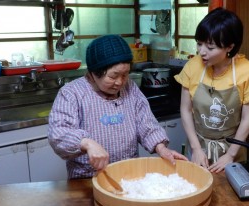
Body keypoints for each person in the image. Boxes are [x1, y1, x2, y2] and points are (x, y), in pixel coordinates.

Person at [48, 35, 188, 179]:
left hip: (128, 177)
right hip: (87, 178)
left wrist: (161, 148)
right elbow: (58, 133)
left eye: (125, 74)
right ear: (93, 73)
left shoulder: (130, 87)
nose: (120, 82)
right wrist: (86, 143)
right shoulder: (72, 93)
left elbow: (145, 122)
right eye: (113, 76)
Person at [174, 8, 249, 173]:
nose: (201, 51)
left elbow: (248, 118)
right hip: (199, 146)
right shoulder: (192, 66)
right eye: (199, 43)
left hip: (232, 148)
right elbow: (185, 109)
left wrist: (231, 155)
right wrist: (196, 149)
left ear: (229, 47)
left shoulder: (247, 71)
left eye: (210, 47)